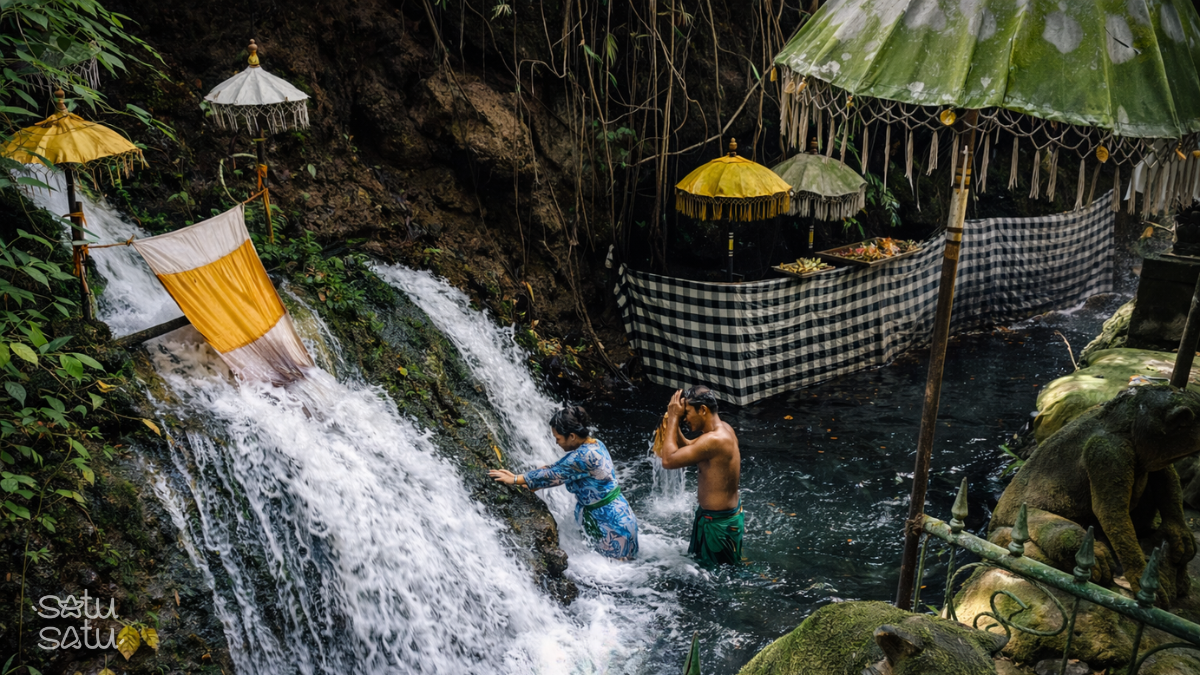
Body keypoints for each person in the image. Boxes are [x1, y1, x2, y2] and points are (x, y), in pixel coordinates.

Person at [488, 406, 639, 559]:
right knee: (618, 568)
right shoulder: (594, 445)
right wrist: (530, 482)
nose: (555, 443)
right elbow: (561, 468)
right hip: (617, 517)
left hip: (612, 525)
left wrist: (515, 479)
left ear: (572, 436)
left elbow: (554, 474)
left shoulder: (585, 456)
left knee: (615, 572)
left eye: (558, 438)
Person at [659, 385, 743, 566]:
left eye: (687, 413)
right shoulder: (722, 430)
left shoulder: (715, 440)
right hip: (715, 518)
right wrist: (671, 425)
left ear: (703, 410)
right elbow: (690, 447)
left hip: (718, 524)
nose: (685, 418)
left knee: (718, 582)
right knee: (709, 573)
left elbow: (668, 461)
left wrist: (673, 418)